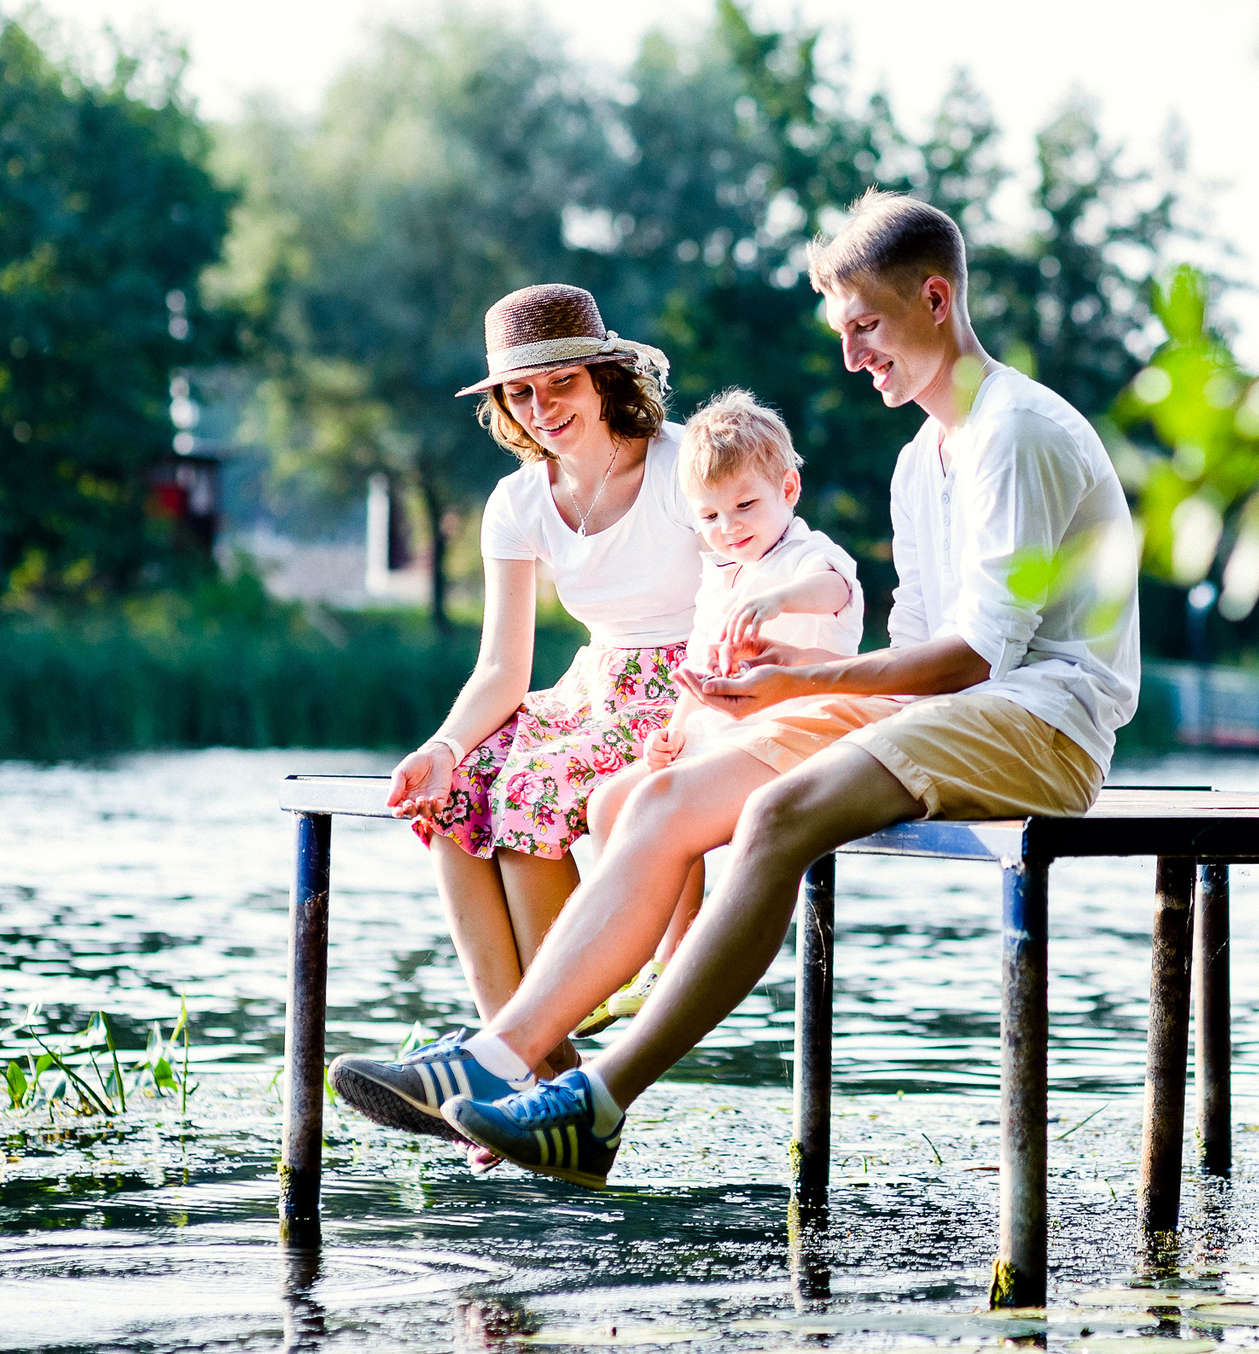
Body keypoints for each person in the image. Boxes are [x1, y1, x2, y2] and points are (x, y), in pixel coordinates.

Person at [329, 191, 1141, 1187]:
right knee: (663, 798)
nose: (853, 356)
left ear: (935, 298)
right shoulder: (918, 457)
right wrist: (776, 708)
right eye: (843, 332)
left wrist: (804, 680)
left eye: (866, 326)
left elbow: (978, 657)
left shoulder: (1010, 432)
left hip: (1041, 723)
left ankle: (594, 1101)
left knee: (775, 814)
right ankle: (496, 1060)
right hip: (951, 714)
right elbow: (919, 641)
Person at [369, 283, 705, 1113]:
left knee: (532, 791)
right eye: (521, 391)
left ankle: (530, 1076)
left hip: (693, 688)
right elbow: (501, 671)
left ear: (601, 376)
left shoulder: (681, 463)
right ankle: (524, 1082)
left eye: (560, 382)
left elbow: (755, 571)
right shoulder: (518, 502)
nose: (542, 406)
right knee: (454, 802)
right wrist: (443, 749)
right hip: (593, 687)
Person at [570, 387, 880, 1036]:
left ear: (787, 491)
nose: (729, 526)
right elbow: (700, 669)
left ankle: (668, 957)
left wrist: (777, 602)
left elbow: (836, 591)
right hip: (714, 741)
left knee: (665, 811)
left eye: (745, 506)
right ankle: (633, 950)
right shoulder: (719, 575)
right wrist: (671, 732)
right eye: (709, 516)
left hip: (794, 736)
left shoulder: (806, 556)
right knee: (608, 804)